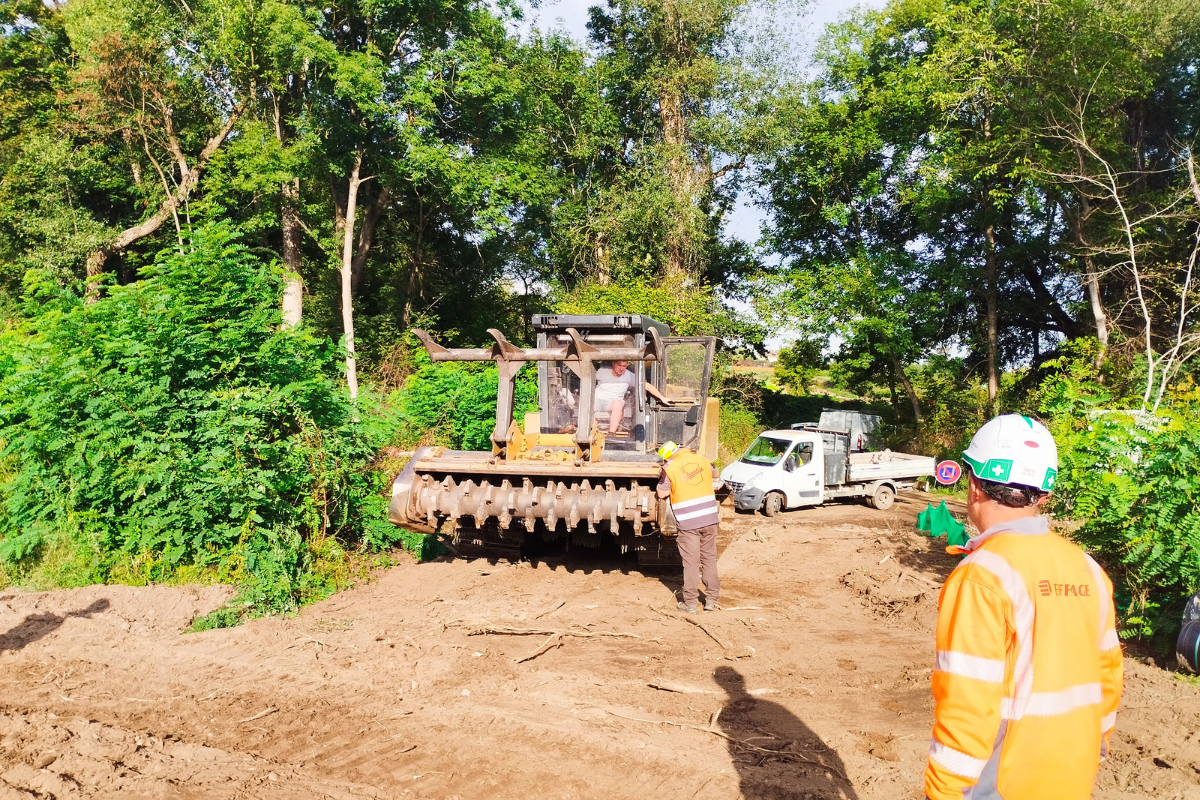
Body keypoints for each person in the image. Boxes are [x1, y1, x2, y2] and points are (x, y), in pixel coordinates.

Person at [925, 415, 1123, 800]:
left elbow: (968, 702)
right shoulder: (1089, 569)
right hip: (1073, 775)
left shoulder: (982, 576)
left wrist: (945, 791)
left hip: (1003, 784)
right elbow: (1108, 676)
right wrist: (1092, 747)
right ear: (1044, 495)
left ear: (974, 485)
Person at [656, 440, 720, 613]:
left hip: (689, 522)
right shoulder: (702, 459)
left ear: (667, 457)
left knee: (691, 563)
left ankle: (690, 603)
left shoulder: (669, 468)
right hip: (709, 519)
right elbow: (715, 473)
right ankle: (711, 600)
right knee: (709, 559)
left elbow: (662, 494)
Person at [595, 360, 672, 434]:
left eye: (624, 366)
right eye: (619, 365)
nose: (621, 368)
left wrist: (662, 397)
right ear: (613, 364)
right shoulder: (602, 372)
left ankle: (611, 433)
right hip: (596, 400)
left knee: (618, 404)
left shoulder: (629, 376)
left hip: (612, 403)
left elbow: (646, 386)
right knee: (585, 405)